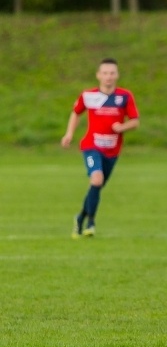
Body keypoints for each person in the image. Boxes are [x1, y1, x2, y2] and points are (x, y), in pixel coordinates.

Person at [61, 58, 140, 238]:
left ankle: (80, 218)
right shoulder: (88, 95)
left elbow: (135, 121)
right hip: (91, 146)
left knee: (96, 186)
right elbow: (76, 113)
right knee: (96, 180)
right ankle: (91, 223)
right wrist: (69, 134)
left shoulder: (124, 96)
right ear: (98, 75)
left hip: (112, 150)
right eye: (105, 73)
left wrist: (122, 127)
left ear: (117, 75)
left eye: (112, 73)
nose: (108, 77)